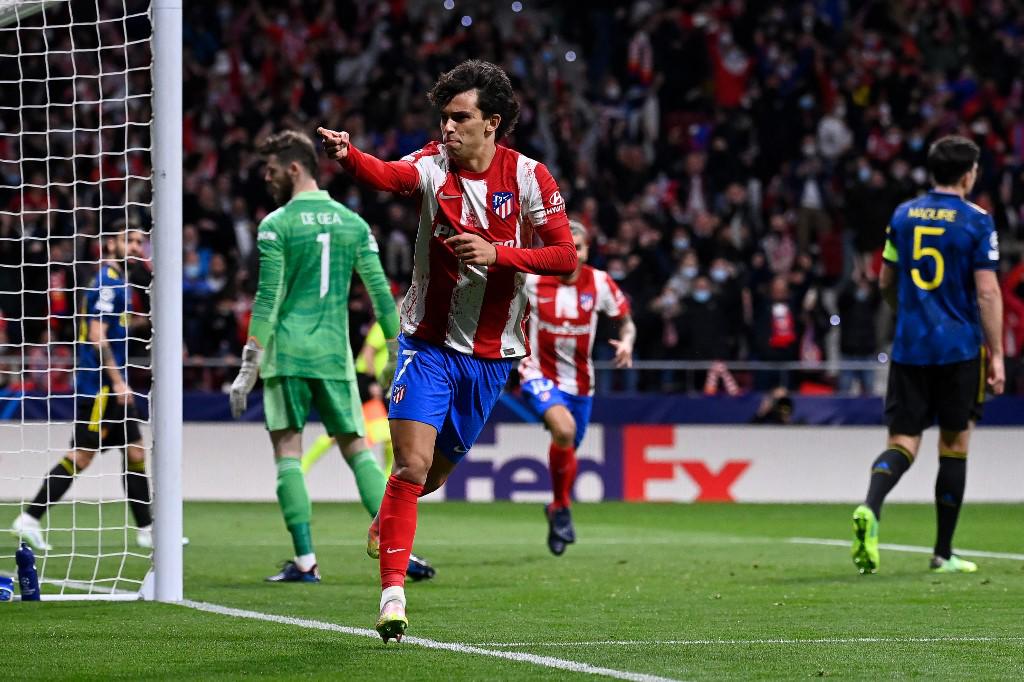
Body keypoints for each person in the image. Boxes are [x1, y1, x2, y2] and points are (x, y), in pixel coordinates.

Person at [319, 59, 576, 641]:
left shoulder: (533, 178)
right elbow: (387, 176)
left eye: (460, 118)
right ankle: (392, 597)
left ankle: (387, 518)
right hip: (427, 345)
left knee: (430, 477)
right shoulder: (432, 165)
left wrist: (498, 255)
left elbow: (565, 258)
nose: (448, 128)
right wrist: (349, 157)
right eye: (444, 117)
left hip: (491, 358)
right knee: (409, 466)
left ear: (493, 122)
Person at [228, 130, 403, 584]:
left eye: (270, 171)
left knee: (288, 452)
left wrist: (249, 364)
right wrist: (396, 351)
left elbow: (267, 299)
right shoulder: (354, 224)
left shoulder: (276, 224)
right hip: (333, 355)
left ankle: (306, 562)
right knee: (358, 449)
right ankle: (400, 548)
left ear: (293, 168)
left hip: (286, 353)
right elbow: (382, 296)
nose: (266, 179)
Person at [851, 135, 1004, 575]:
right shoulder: (977, 221)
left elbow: (885, 281)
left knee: (902, 443)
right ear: (967, 173)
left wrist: (909, 315)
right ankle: (943, 552)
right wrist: (996, 355)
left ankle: (871, 507)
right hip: (958, 348)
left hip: (911, 347)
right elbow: (988, 292)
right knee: (954, 445)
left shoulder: (903, 215)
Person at [10, 226, 179, 551]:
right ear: (111, 243)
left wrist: (147, 319)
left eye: (138, 242)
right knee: (82, 457)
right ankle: (29, 518)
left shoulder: (122, 284)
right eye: (127, 240)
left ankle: (147, 529)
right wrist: (117, 382)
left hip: (113, 388)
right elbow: (98, 336)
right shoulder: (107, 282)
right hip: (100, 389)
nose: (133, 246)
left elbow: (118, 324)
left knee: (135, 452)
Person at [519, 221, 634, 556]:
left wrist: (626, 343)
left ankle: (556, 508)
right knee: (565, 431)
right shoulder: (532, 279)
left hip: (581, 384)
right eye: (566, 246)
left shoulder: (599, 283)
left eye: (579, 247)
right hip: (538, 372)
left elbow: (626, 322)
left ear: (586, 251)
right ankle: (561, 507)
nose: (572, 253)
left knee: (567, 447)